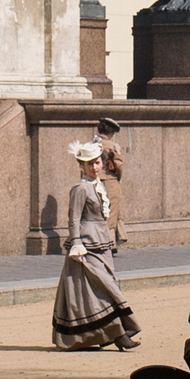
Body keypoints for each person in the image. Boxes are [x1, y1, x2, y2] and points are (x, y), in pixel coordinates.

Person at [52, 141, 137, 350]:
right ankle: (119, 334)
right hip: (87, 244)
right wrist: (77, 244)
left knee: (100, 288)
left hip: (102, 241)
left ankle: (101, 334)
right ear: (81, 166)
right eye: (89, 164)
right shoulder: (80, 189)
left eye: (97, 163)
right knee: (102, 288)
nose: (94, 167)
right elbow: (73, 218)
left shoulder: (98, 186)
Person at [94, 115, 127, 244]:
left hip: (95, 180)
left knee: (99, 210)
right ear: (111, 132)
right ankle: (110, 242)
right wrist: (118, 177)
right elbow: (118, 165)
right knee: (112, 212)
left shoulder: (92, 144)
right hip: (109, 180)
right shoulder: (112, 146)